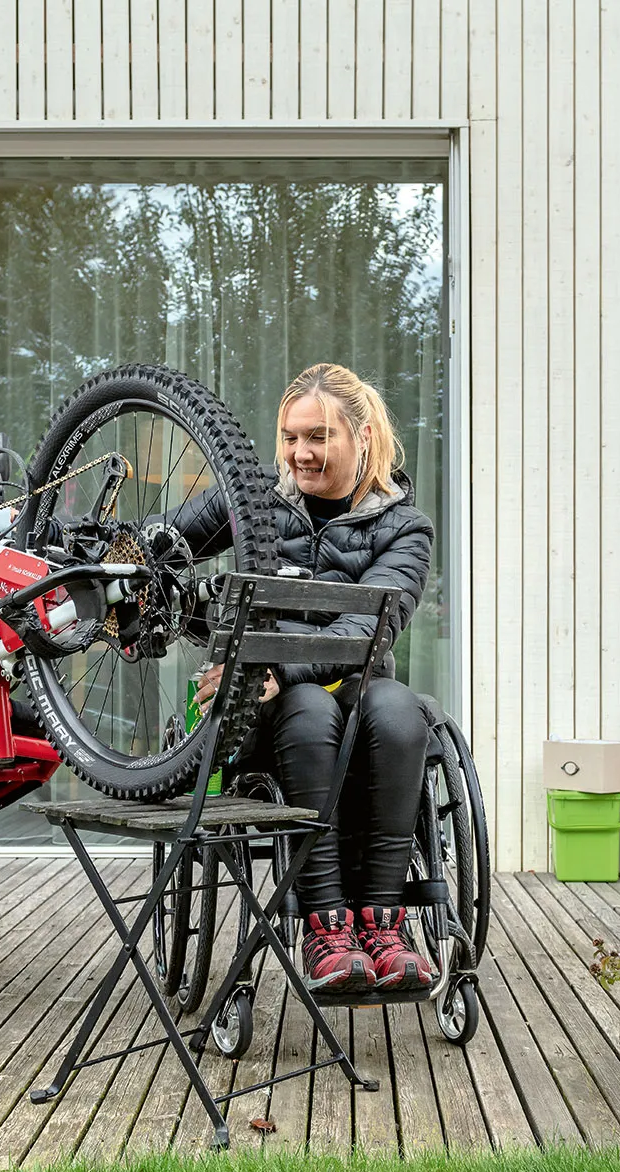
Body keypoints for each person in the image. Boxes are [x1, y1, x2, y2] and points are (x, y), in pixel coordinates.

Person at [183, 363, 437, 995]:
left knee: (402, 709)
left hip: (352, 691)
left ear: (364, 437)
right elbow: (166, 542)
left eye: (319, 436)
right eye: (291, 437)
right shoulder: (253, 503)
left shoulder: (405, 529)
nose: (300, 453)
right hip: (270, 717)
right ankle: (326, 925)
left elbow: (369, 634)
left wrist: (282, 664)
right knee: (307, 710)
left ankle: (385, 923)